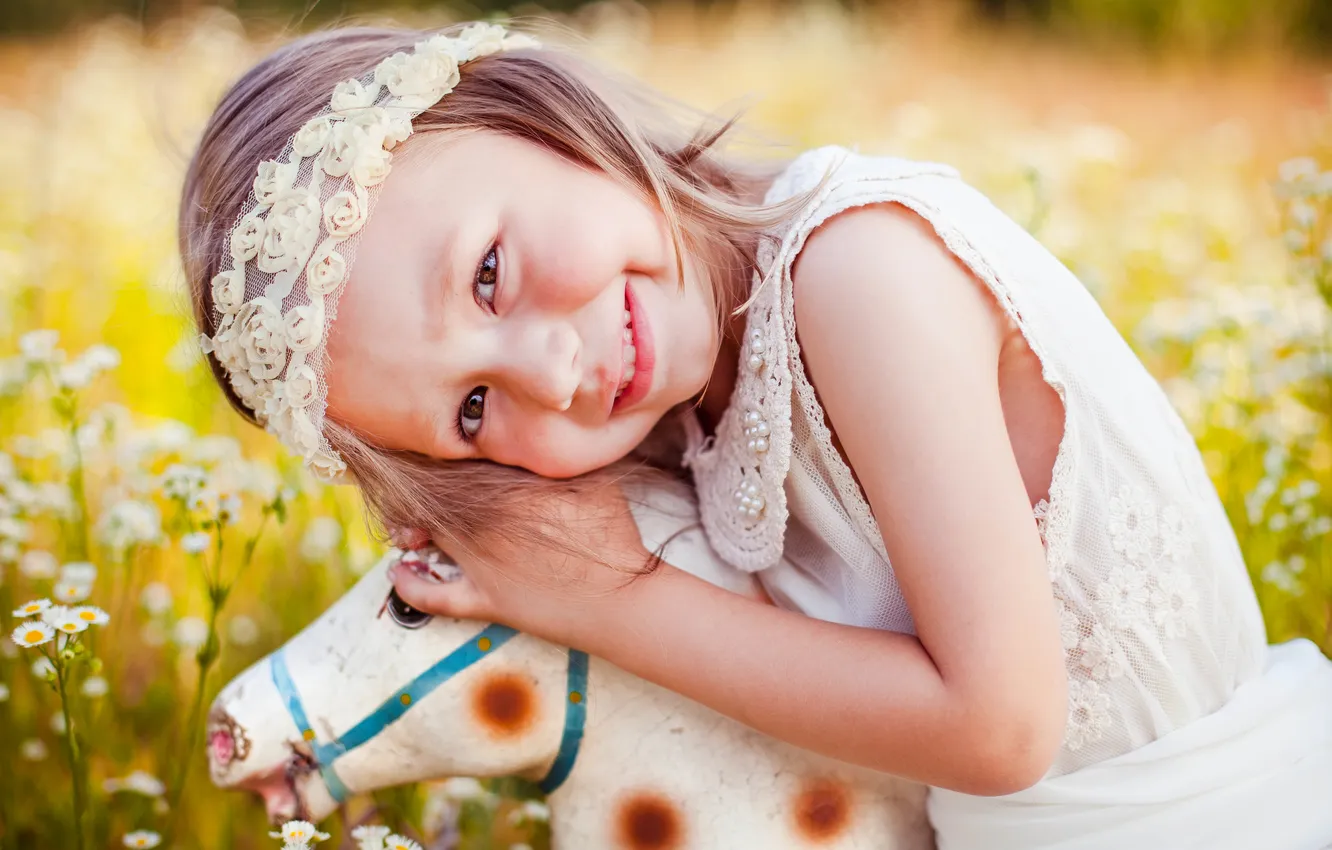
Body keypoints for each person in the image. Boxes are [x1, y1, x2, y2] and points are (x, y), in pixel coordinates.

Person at [179, 20, 1332, 849]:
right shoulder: (693, 403)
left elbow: (1003, 726)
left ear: (531, 109)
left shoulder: (857, 270)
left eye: (488, 274)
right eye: (474, 411)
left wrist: (609, 597)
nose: (556, 372)